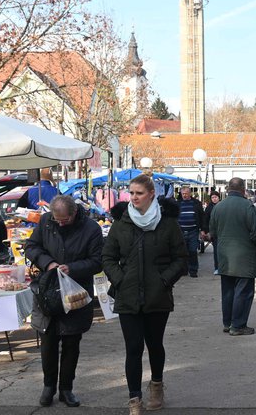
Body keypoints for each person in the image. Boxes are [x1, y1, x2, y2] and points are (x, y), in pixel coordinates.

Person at [102, 174, 188, 414]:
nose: (134, 197)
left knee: (154, 344)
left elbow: (181, 260)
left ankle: (157, 385)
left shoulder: (167, 223)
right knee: (133, 348)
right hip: (127, 295)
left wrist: (163, 280)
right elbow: (107, 257)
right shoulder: (121, 222)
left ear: (152, 194)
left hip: (157, 295)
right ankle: (134, 399)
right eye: (131, 193)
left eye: (139, 193)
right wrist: (119, 280)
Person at [24, 195, 103, 407]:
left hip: (75, 293)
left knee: (71, 343)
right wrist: (48, 263)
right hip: (47, 291)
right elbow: (31, 246)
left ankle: (66, 388)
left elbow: (97, 261)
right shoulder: (46, 221)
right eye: (56, 219)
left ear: (74, 213)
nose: (59, 223)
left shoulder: (91, 229)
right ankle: (48, 386)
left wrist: (73, 268)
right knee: (47, 342)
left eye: (64, 220)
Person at [209, 177, 256, 336]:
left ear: (227, 189)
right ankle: (238, 325)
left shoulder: (218, 207)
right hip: (244, 256)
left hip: (224, 256)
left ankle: (228, 322)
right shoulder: (248, 207)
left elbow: (213, 232)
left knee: (227, 291)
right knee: (243, 291)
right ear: (243, 189)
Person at [178, 186, 205, 277]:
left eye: (186, 193)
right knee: (182, 252)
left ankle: (193, 270)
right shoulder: (178, 203)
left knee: (193, 251)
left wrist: (203, 230)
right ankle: (184, 269)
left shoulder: (196, 203)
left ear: (190, 193)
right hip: (181, 231)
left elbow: (202, 217)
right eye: (183, 194)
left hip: (193, 230)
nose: (184, 195)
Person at [203, 190, 221, 275]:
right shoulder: (209, 208)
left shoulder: (222, 206)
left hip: (223, 231)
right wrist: (207, 231)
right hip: (214, 232)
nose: (214, 199)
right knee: (216, 251)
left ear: (219, 197)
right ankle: (217, 267)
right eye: (212, 197)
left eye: (216, 197)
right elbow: (206, 220)